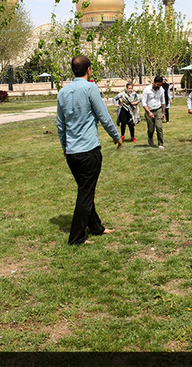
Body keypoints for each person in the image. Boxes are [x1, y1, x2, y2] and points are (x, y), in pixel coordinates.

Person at [57, 55, 123, 245]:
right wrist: (116, 136)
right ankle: (76, 238)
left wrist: (64, 147)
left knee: (86, 190)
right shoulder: (90, 87)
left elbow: (60, 125)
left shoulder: (62, 92)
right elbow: (103, 115)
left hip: (72, 153)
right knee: (85, 194)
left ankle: (96, 227)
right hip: (88, 151)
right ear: (89, 70)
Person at [142, 76, 166, 149]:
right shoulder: (147, 90)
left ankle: (160, 144)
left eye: (160, 85)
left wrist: (163, 112)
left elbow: (162, 101)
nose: (159, 86)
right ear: (154, 82)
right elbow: (143, 103)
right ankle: (150, 137)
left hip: (158, 109)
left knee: (159, 127)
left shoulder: (161, 90)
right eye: (157, 85)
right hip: (149, 110)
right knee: (151, 129)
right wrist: (149, 112)